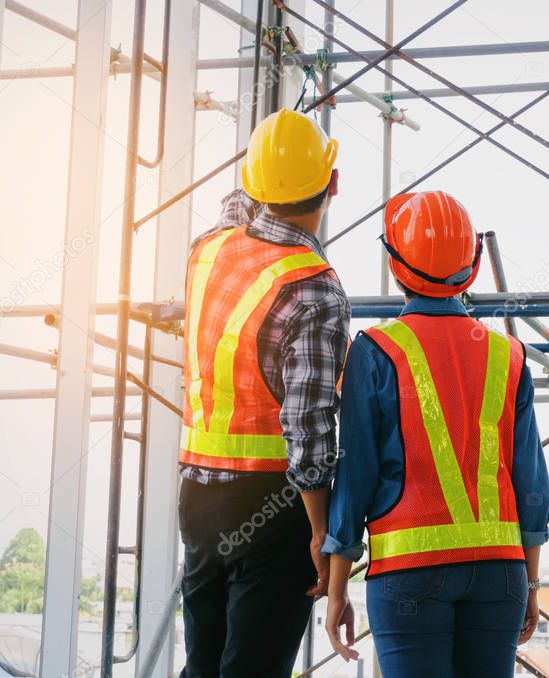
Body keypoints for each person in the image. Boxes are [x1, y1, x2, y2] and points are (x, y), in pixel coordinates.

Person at [322, 191, 549, 677]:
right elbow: (532, 485)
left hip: (410, 572)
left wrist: (338, 585)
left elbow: (355, 475)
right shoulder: (508, 356)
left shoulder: (375, 350)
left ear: (395, 266)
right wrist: (530, 584)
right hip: (500, 573)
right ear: (472, 268)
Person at [177, 108, 349, 677]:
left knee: (203, 665)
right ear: (334, 185)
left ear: (253, 185)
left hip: (199, 495)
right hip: (273, 507)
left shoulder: (208, 249)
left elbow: (237, 206)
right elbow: (308, 426)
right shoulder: (314, 288)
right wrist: (323, 534)